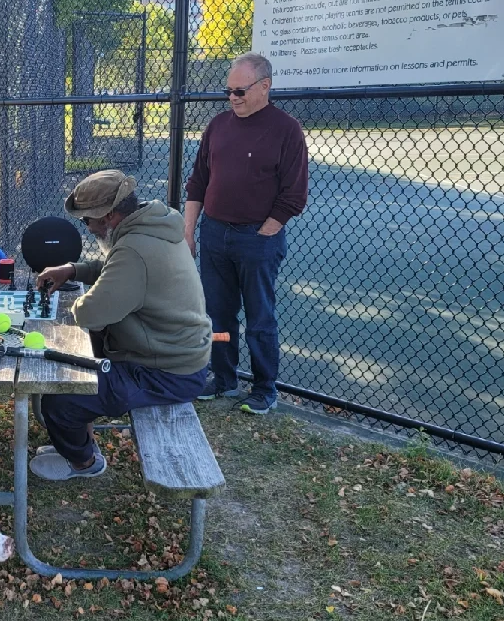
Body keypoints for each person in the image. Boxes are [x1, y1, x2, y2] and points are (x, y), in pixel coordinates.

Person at [31, 170, 213, 480]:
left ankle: (84, 463)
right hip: (176, 358)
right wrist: (73, 270)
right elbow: (113, 267)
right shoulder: (152, 225)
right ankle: (79, 442)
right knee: (77, 372)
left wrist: (66, 306)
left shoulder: (134, 248)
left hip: (164, 373)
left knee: (61, 399)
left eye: (87, 220)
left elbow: (91, 313)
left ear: (110, 215)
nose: (86, 228)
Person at [184, 53, 308, 415]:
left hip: (257, 240)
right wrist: (190, 231)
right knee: (218, 316)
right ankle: (223, 377)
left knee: (260, 318)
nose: (233, 97)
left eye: (240, 91)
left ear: (264, 86)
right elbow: (198, 182)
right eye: (228, 91)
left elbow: (294, 195)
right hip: (215, 234)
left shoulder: (286, 130)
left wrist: (264, 232)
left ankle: (264, 387)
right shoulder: (218, 126)